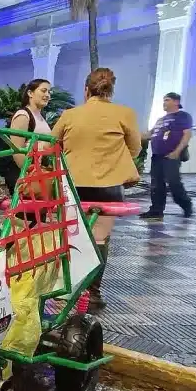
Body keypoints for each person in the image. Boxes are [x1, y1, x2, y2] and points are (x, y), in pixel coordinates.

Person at [52, 68, 141, 311]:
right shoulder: (125, 113)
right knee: (99, 238)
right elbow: (135, 149)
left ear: (86, 90)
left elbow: (52, 144)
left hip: (72, 186)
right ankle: (92, 293)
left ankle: (67, 289)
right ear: (111, 90)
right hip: (108, 187)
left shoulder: (70, 115)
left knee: (71, 235)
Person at [140, 92, 193, 220]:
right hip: (157, 156)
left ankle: (186, 205)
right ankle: (156, 211)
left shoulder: (183, 116)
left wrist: (177, 152)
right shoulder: (161, 120)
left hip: (171, 156)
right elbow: (149, 134)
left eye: (167, 100)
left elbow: (187, 134)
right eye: (164, 100)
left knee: (174, 183)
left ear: (176, 102)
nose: (164, 103)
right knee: (156, 185)